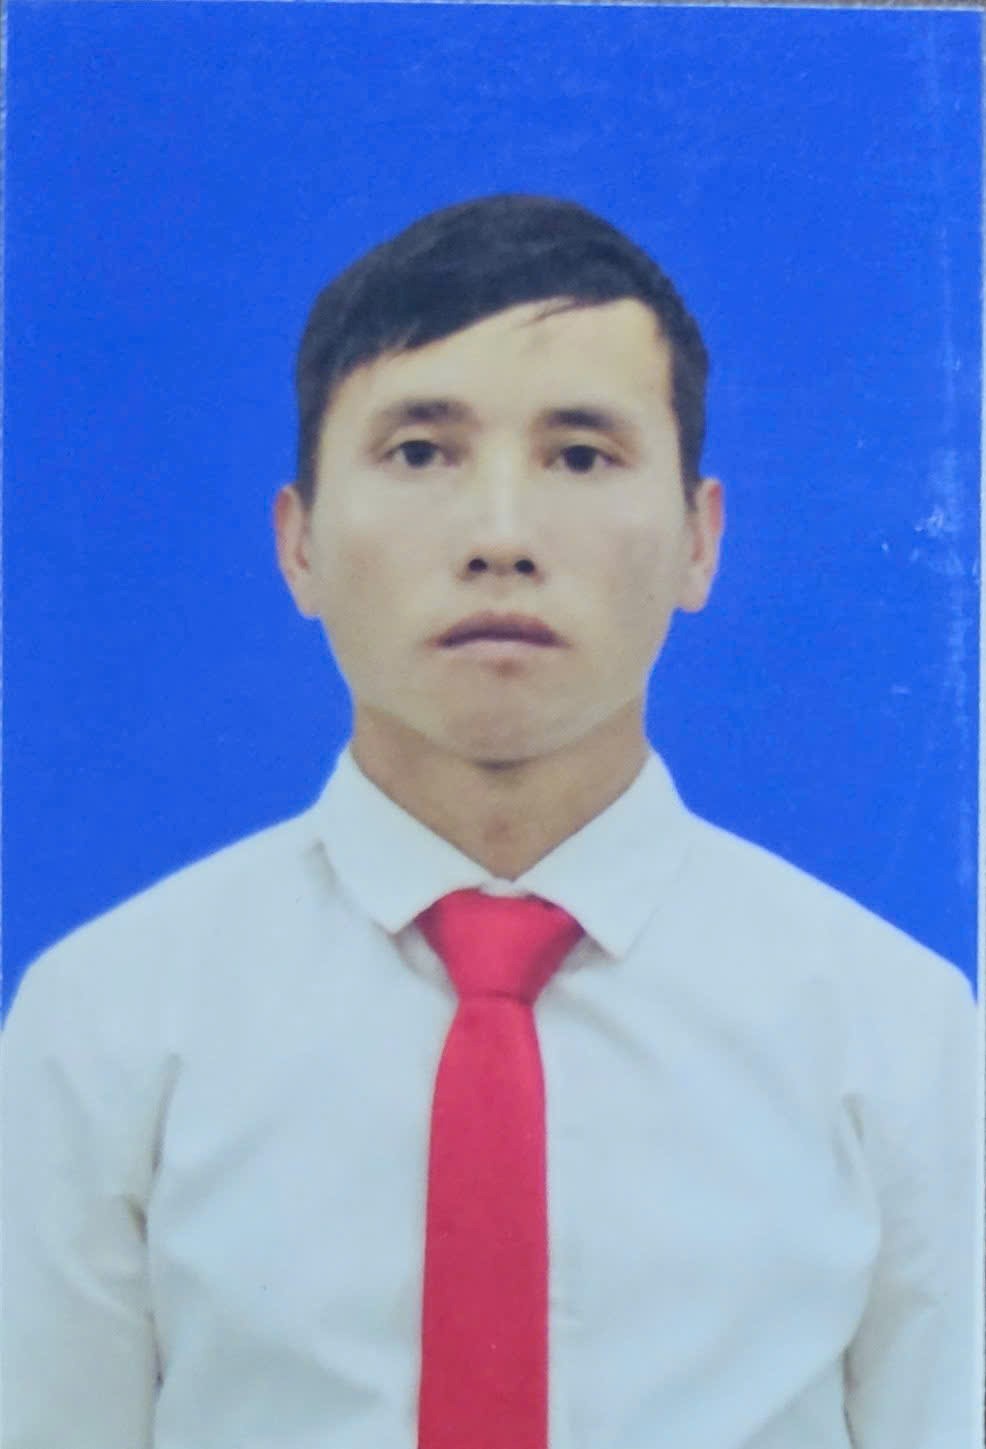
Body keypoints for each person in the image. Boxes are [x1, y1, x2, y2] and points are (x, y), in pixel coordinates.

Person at [1, 195, 978, 1449]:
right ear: (299, 546)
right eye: (420, 453)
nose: (500, 538)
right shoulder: (106, 1023)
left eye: (579, 456)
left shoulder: (897, 1037)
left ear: (698, 540)